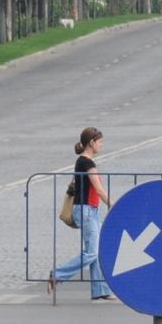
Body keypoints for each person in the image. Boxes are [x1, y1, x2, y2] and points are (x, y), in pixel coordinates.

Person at [49, 127, 116, 301]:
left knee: (96, 251)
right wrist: (114, 205)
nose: (102, 144)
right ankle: (57, 275)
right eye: (100, 141)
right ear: (92, 143)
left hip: (89, 209)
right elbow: (100, 190)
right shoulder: (87, 163)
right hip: (86, 210)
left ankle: (100, 289)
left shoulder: (83, 161)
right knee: (91, 253)